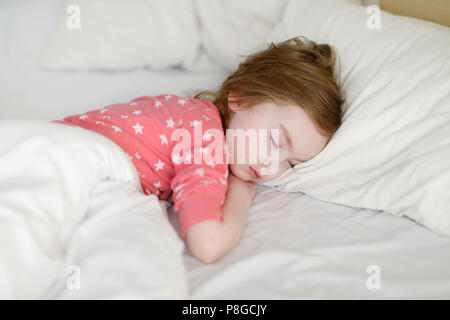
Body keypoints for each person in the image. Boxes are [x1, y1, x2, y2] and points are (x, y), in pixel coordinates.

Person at [0, 36, 344, 298]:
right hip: (78, 156)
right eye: (274, 140)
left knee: (143, 264)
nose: (271, 166)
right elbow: (208, 245)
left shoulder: (200, 131)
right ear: (240, 98)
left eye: (291, 163)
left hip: (111, 182)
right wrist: (241, 194)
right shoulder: (204, 132)